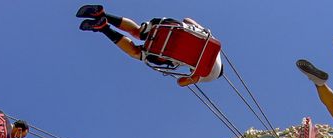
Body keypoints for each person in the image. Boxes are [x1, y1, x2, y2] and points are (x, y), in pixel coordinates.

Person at [76, 6, 223, 86]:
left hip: (170, 27)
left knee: (139, 31)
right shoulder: (209, 76)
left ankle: (103, 14)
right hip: (168, 52)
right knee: (137, 53)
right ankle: (103, 28)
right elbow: (182, 82)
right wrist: (188, 75)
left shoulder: (215, 44)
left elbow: (187, 19)